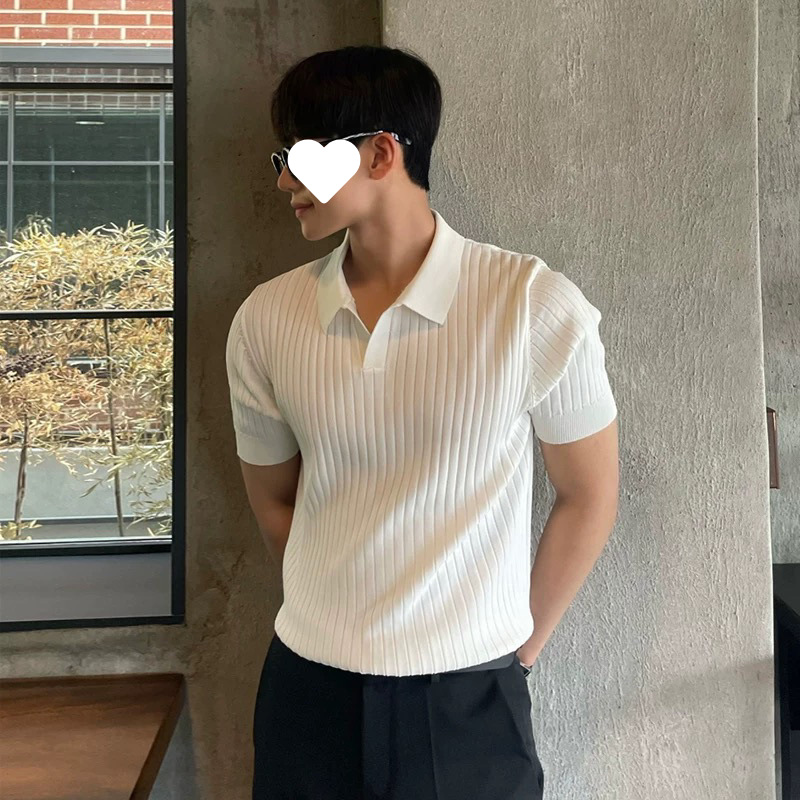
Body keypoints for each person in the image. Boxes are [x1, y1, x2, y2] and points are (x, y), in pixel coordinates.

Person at [226, 44, 619, 800]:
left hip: (470, 701)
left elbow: (590, 494)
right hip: (308, 695)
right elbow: (275, 501)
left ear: (381, 154)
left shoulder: (531, 304)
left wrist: (517, 651)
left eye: (302, 155)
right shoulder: (266, 319)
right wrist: (340, 607)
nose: (282, 180)